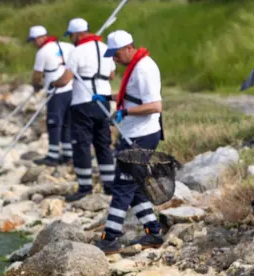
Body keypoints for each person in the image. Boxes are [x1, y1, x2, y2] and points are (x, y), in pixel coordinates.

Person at [93, 30, 164, 255]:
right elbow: (132, 95)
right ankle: (153, 231)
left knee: (123, 186)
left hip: (142, 135)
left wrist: (125, 111)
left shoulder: (143, 69)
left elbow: (155, 106)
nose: (114, 59)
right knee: (133, 188)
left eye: (116, 54)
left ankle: (110, 238)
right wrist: (109, 98)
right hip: (133, 134)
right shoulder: (135, 67)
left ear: (129, 48)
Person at [52, 18, 117, 202]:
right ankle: (109, 185)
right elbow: (112, 75)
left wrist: (53, 83)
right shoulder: (106, 48)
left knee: (81, 144)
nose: (71, 39)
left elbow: (65, 79)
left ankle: (85, 187)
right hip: (103, 101)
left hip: (83, 102)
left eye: (71, 35)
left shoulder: (77, 51)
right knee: (103, 143)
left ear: (78, 34)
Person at [28, 25, 75, 167]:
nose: (34, 44)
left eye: (34, 40)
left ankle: (52, 156)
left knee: (53, 123)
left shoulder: (42, 52)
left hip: (56, 92)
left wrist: (36, 86)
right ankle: (68, 154)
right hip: (71, 89)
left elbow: (37, 75)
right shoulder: (66, 46)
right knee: (67, 123)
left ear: (41, 38)